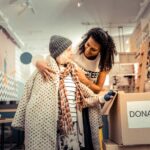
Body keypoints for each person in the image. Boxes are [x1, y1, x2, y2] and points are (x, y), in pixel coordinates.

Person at [12, 35, 115, 150]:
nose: (72, 53)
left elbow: (83, 100)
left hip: (74, 126)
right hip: (50, 126)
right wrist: (37, 62)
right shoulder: (45, 73)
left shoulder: (74, 73)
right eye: (68, 50)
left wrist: (100, 97)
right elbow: (30, 88)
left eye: (94, 49)